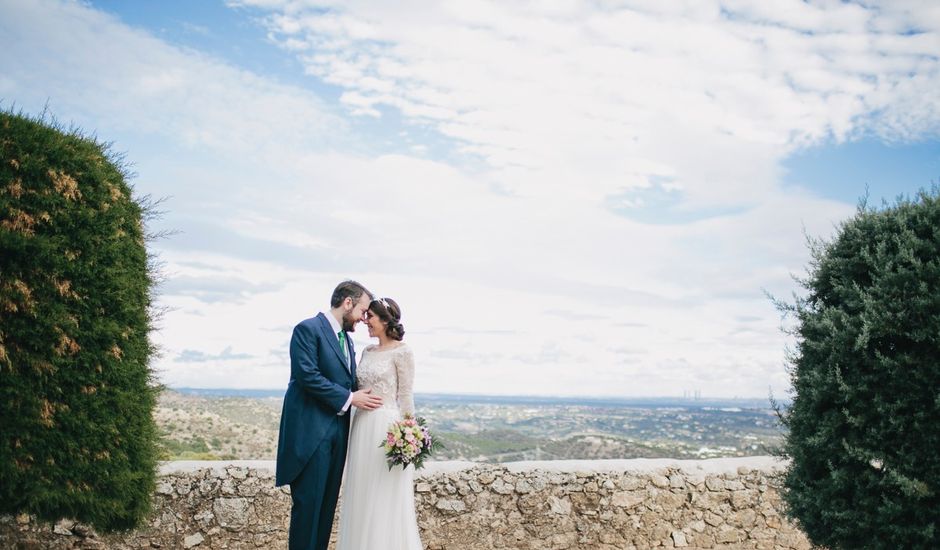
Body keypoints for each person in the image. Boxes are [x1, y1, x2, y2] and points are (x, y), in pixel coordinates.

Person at [275, 280, 384, 550]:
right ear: (348, 303)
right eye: (363, 311)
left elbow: (349, 381)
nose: (363, 318)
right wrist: (350, 398)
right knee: (308, 512)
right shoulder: (308, 329)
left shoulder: (347, 340)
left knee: (325, 512)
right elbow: (307, 375)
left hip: (338, 435)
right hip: (311, 438)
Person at [336, 297, 423, 550]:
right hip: (362, 426)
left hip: (386, 429)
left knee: (383, 497)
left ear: (385, 320)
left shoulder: (403, 351)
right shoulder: (367, 351)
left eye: (370, 317)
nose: (365, 321)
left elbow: (405, 395)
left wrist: (410, 435)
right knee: (361, 494)